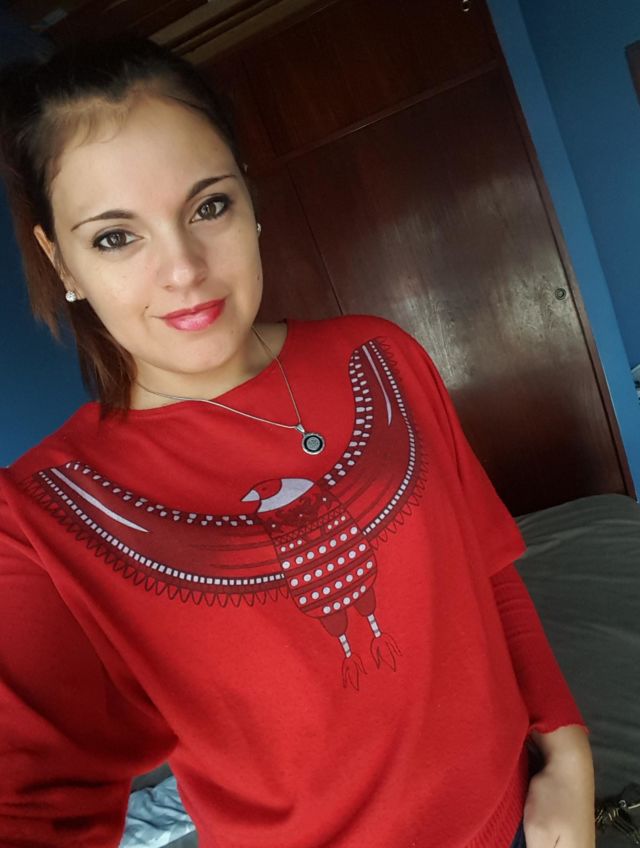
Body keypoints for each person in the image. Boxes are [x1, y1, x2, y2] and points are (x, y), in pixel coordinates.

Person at [0, 35, 595, 848]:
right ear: (59, 259)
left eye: (209, 206)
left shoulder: (380, 357)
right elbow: (29, 803)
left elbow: (487, 569)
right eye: (115, 237)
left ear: (249, 201)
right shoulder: (40, 516)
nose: (183, 269)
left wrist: (565, 747)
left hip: (521, 820)